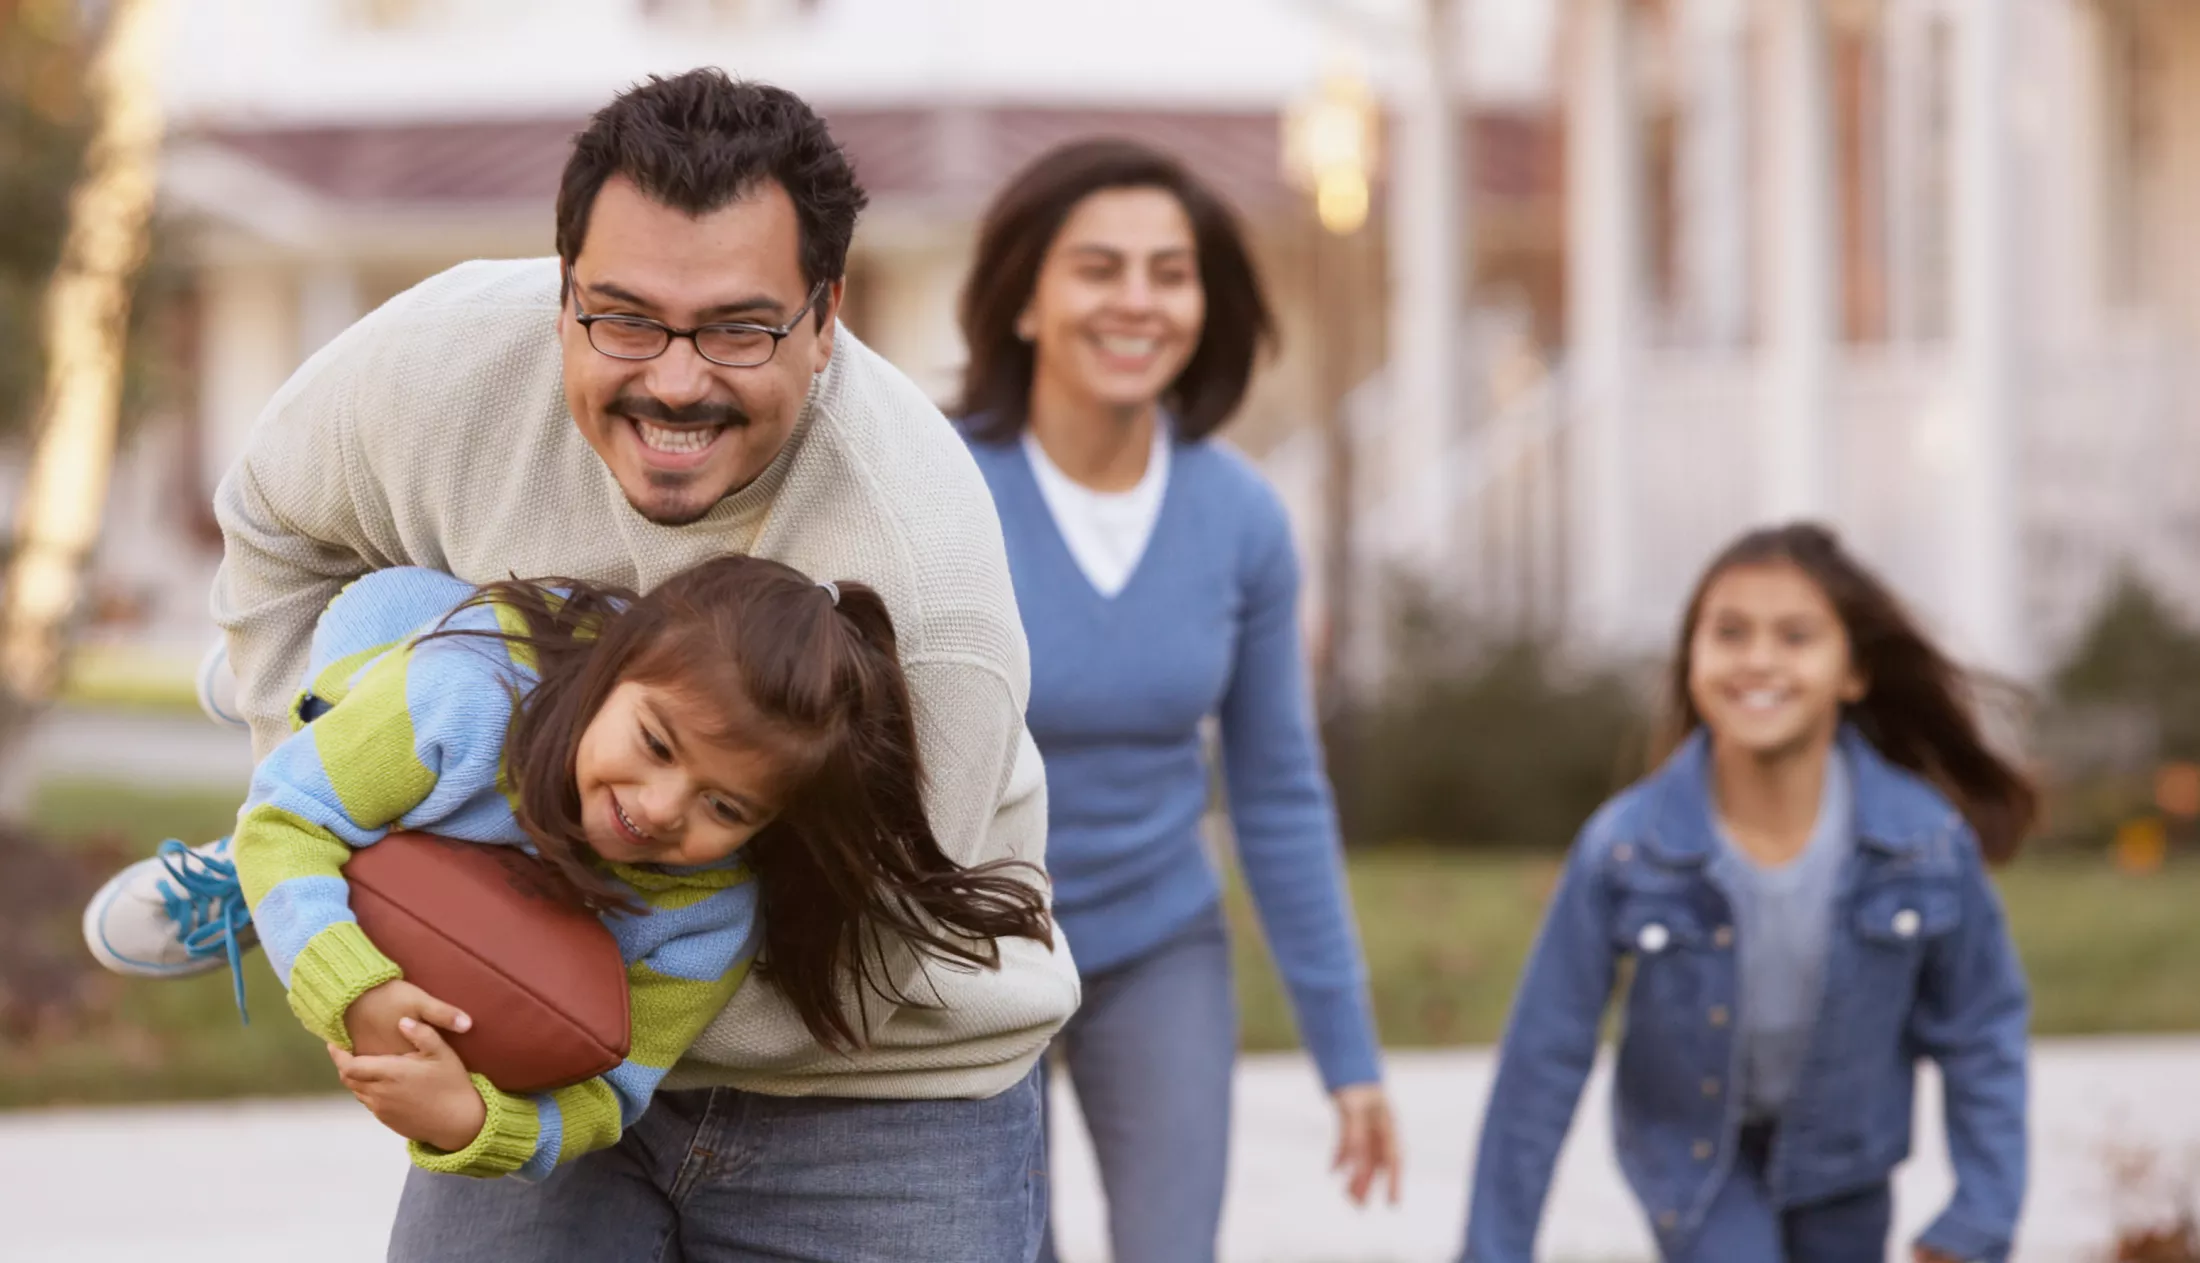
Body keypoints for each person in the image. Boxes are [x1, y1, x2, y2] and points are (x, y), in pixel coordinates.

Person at [80, 69, 1076, 1261]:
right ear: (561, 295)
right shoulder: (436, 363)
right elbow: (276, 526)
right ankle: (308, 807)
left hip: (876, 1085)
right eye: (624, 316)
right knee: (434, 689)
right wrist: (344, 809)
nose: (672, 378)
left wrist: (513, 966)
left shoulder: (923, 592)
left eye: (739, 328)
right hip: (530, 948)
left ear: (824, 323)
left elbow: (865, 961)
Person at [237, 557, 1047, 1182]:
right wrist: (355, 986)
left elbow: (611, 1092)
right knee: (311, 795)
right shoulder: (465, 695)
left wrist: (474, 1121)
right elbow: (283, 822)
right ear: (611, 669)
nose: (661, 807)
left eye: (725, 807)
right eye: (657, 744)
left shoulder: (710, 911)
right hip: (392, 634)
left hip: (488, 848)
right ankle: (233, 864)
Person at [955, 138, 1400, 1262]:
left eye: (1170, 271)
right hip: (968, 951)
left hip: (1160, 943)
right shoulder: (942, 492)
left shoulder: (1241, 519)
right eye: (1100, 268)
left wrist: (1348, 1058)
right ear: (1024, 300)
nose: (1138, 302)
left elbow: (1280, 794)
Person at [1460, 523, 2031, 1263]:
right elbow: (1544, 1056)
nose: (1759, 659)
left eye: (1796, 636)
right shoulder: (1628, 847)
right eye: (1729, 633)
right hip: (1695, 1161)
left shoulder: (1924, 843)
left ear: (1851, 671)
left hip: (1848, 1161)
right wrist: (1492, 1250)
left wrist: (1978, 1216)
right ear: (1691, 659)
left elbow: (1981, 1035)